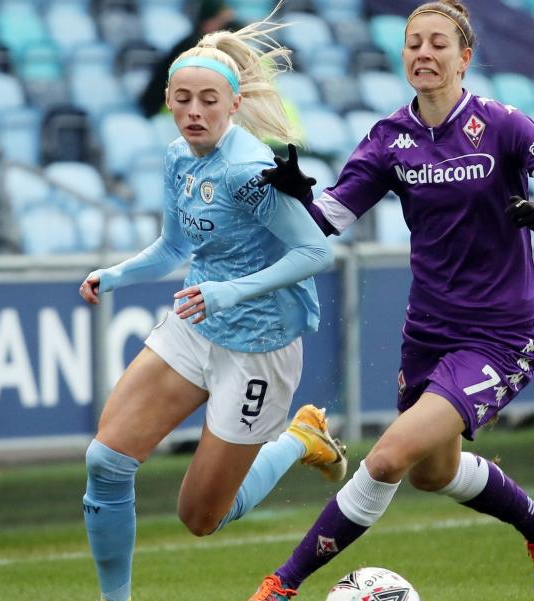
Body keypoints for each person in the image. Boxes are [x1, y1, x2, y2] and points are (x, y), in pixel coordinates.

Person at [247, 1, 534, 599]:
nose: (424, 53)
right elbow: (328, 217)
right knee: (432, 474)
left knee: (387, 459)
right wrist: (291, 199)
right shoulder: (390, 139)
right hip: (429, 334)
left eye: (439, 43)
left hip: (500, 335)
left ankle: (282, 585)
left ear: (465, 58)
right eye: (414, 43)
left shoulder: (505, 126)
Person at [77, 9, 347, 601]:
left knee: (200, 517)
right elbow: (175, 244)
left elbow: (314, 252)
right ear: (169, 102)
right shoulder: (177, 156)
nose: (193, 111)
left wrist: (230, 291)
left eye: (206, 100)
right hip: (196, 324)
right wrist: (116, 274)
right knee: (105, 462)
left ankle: (301, 439)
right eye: (182, 99)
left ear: (231, 104)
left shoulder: (250, 170)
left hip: (260, 349)